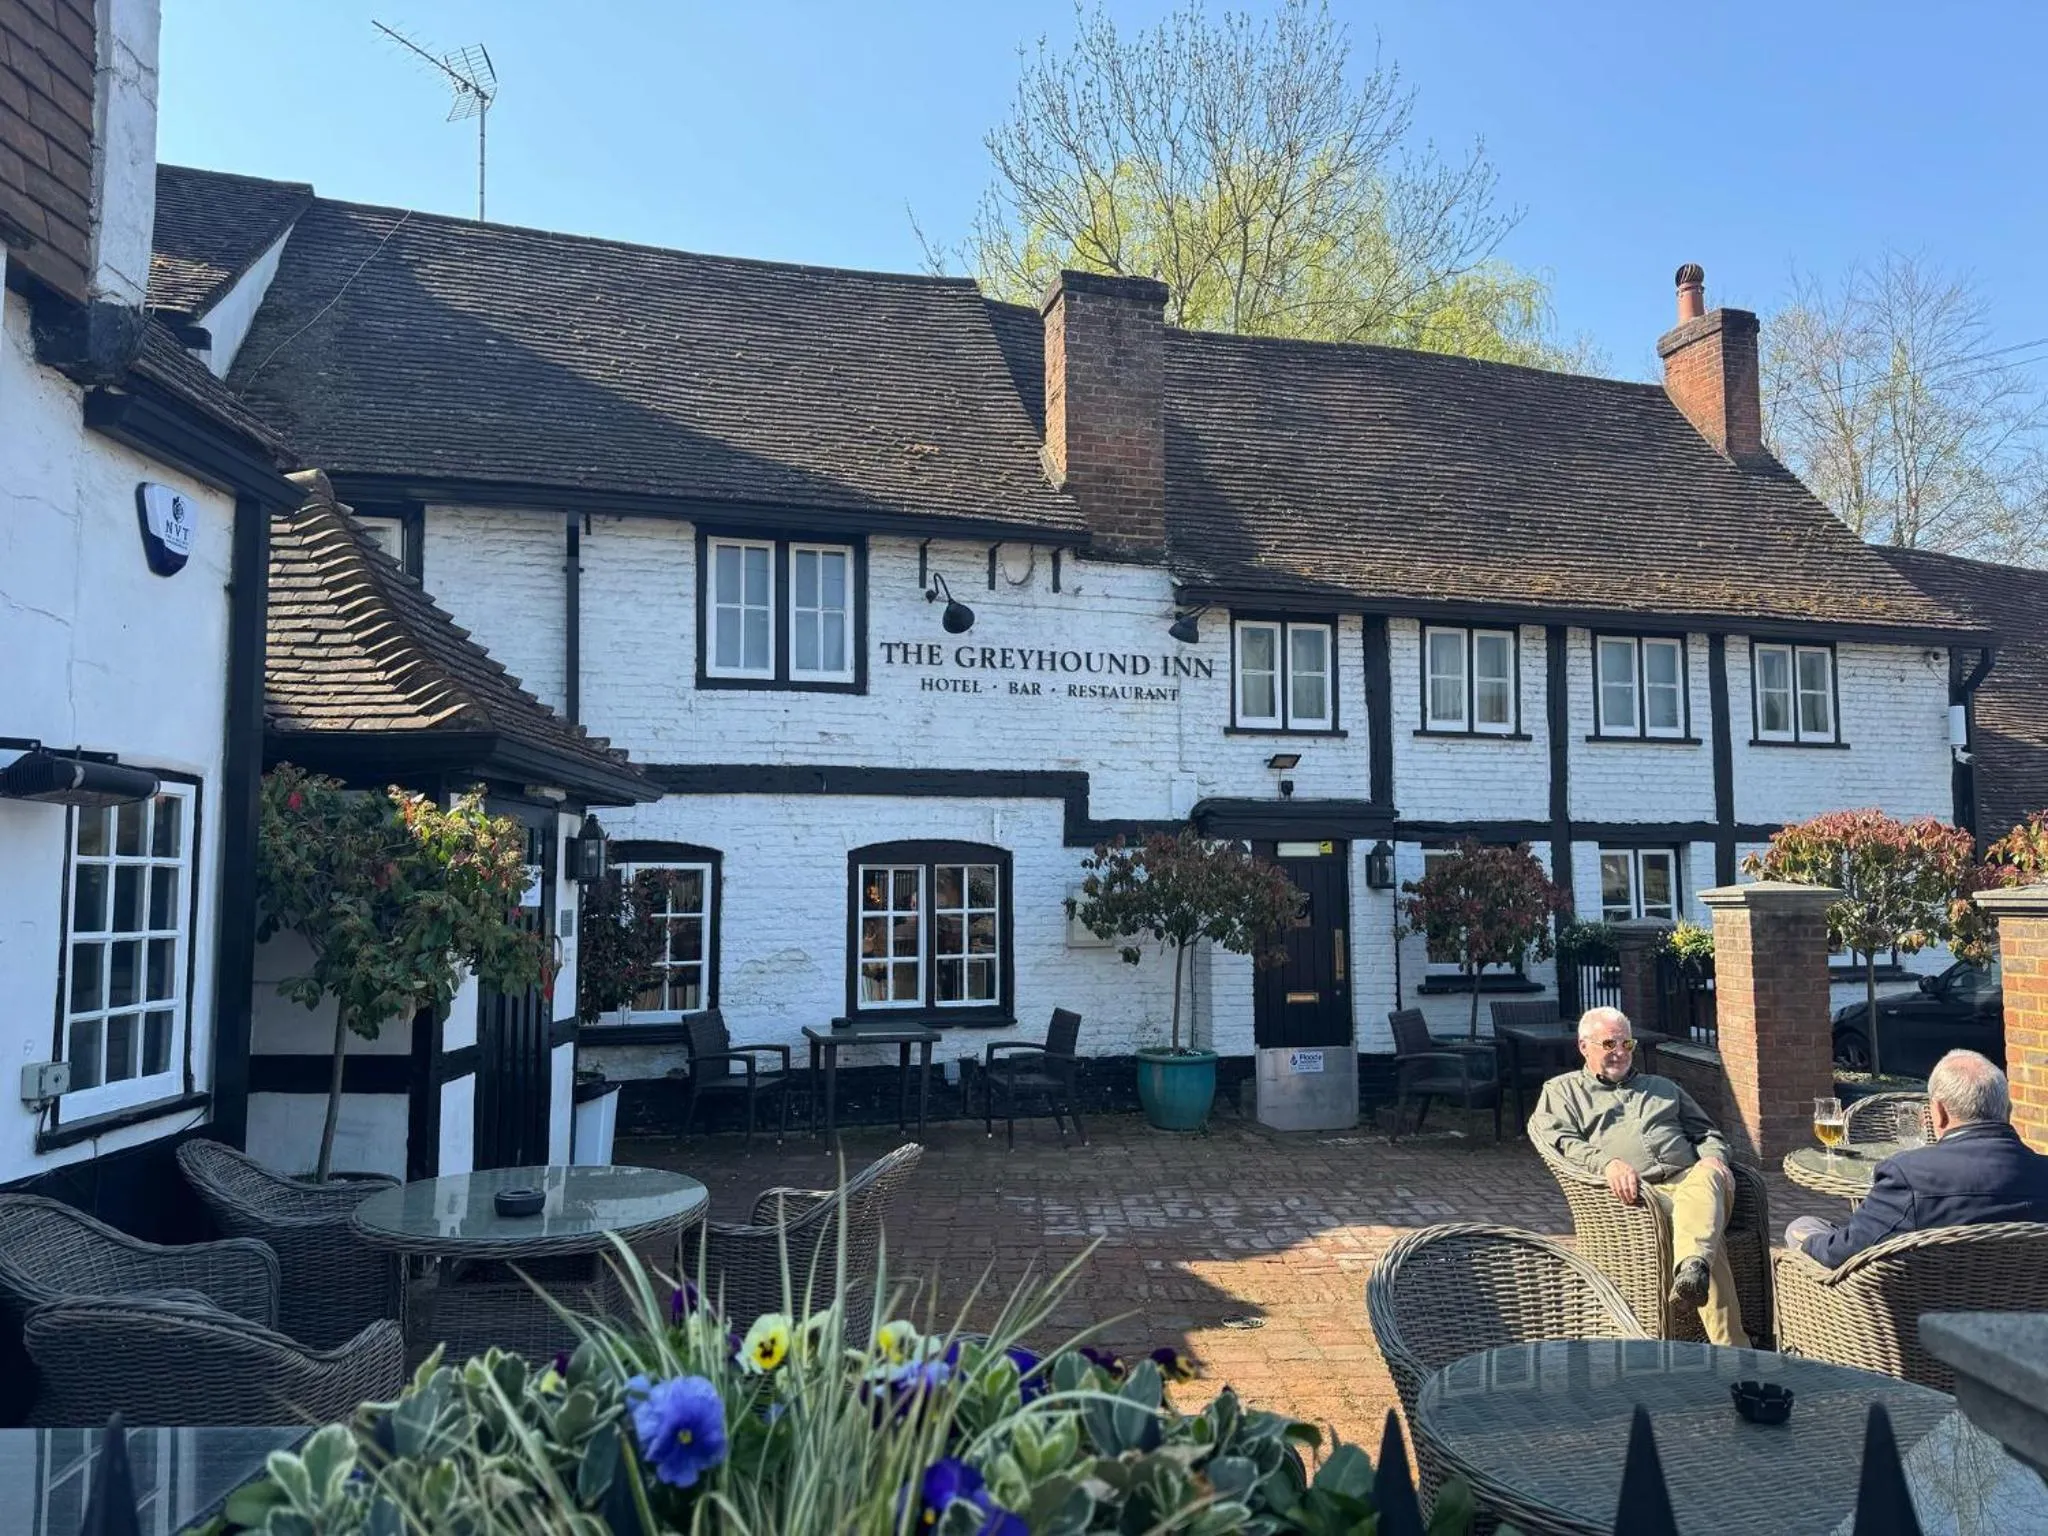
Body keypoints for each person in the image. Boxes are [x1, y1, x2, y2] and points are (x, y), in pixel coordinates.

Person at [1528, 1006, 1748, 1347]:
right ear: (1584, 1046)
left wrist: (1713, 1159)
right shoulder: (1562, 1092)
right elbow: (1561, 1140)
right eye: (1609, 1043)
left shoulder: (1662, 1087)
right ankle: (1731, 1343)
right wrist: (1606, 1164)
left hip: (1694, 1181)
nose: (1619, 1052)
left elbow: (1707, 1134)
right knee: (1705, 1239)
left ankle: (1693, 1270)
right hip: (1641, 1197)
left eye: (1626, 1044)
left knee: (1705, 1181)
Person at [1786, 1049, 2048, 1268]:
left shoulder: (1907, 1177)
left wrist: (1809, 1243)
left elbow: (1842, 1254)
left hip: (1915, 1323)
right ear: (2006, 1108)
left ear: (1939, 1112)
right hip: (2028, 1324)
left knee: (1803, 1227)